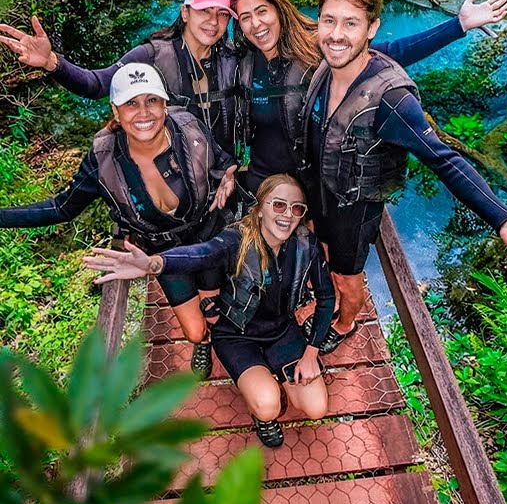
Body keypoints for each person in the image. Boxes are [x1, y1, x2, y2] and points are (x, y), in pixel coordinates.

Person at [300, 0, 507, 352]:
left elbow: (444, 159)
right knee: (322, 252)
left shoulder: (391, 100)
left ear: (371, 28)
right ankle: (328, 295)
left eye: (350, 23)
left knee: (346, 276)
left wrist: (502, 218)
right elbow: (400, 49)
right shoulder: (331, 62)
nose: (336, 34)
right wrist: (458, 25)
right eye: (328, 21)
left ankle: (345, 321)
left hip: (354, 211)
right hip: (321, 192)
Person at [0, 64, 238, 376]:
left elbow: (222, 159)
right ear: (115, 110)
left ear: (165, 104)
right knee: (194, 331)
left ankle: (215, 331)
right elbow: (62, 208)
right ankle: (202, 341)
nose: (144, 113)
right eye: (131, 103)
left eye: (151, 100)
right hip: (161, 250)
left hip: (206, 235)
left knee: (214, 313)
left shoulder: (189, 127)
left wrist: (228, 175)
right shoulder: (104, 159)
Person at [83, 174, 331, 448]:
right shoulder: (236, 239)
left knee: (316, 407)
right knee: (268, 404)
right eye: (279, 205)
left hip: (282, 330)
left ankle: (275, 378)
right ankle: (262, 414)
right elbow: (200, 254)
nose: (287, 215)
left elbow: (327, 297)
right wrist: (153, 264)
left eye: (297, 209)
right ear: (261, 208)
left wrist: (311, 354)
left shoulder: (305, 245)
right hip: (236, 335)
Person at [230, 0, 507, 192]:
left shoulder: (320, 47)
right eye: (245, 17)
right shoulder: (243, 62)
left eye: (262, 11)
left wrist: (458, 25)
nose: (256, 24)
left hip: (308, 193)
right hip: (260, 186)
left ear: (278, 9)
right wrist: (227, 170)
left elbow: (392, 51)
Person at [0, 0, 242, 156]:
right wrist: (51, 62)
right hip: (175, 186)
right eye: (204, 10)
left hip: (227, 182)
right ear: (185, 12)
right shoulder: (153, 56)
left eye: (222, 14)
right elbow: (96, 85)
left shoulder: (234, 59)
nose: (213, 21)